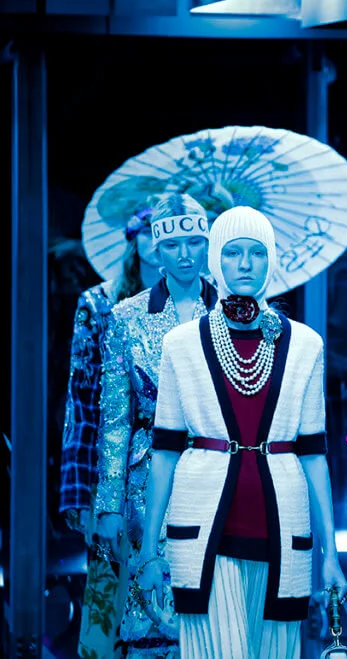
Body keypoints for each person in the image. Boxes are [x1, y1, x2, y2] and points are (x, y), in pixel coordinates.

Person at [138, 205, 347, 658]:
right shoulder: (181, 344)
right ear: (216, 259)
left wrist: (331, 553)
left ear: (271, 259)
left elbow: (314, 453)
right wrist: (148, 549)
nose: (246, 264)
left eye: (257, 252)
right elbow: (165, 450)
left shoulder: (306, 345)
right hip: (202, 530)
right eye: (233, 253)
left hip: (284, 532)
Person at [94, 193, 219, 657]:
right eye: (172, 245)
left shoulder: (232, 310)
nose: (184, 254)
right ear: (155, 250)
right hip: (147, 478)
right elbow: (114, 418)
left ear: (207, 244)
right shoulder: (125, 317)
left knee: (217, 608)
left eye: (194, 242)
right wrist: (108, 503)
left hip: (218, 468)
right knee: (152, 614)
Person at [59, 205, 161, 659]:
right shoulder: (99, 304)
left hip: (176, 463)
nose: (158, 243)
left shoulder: (197, 304)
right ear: (134, 240)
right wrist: (78, 494)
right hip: (112, 471)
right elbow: (81, 402)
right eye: (150, 232)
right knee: (110, 598)